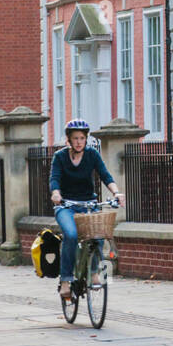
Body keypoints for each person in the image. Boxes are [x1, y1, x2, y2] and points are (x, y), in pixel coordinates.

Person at [49, 119, 125, 299]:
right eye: (75, 138)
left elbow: (105, 175)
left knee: (98, 235)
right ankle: (66, 280)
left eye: (82, 138)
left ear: (86, 139)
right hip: (66, 206)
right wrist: (56, 193)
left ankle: (93, 272)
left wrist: (117, 193)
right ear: (69, 139)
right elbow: (55, 179)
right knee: (72, 235)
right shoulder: (60, 157)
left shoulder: (92, 155)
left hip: (88, 204)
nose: (79, 141)